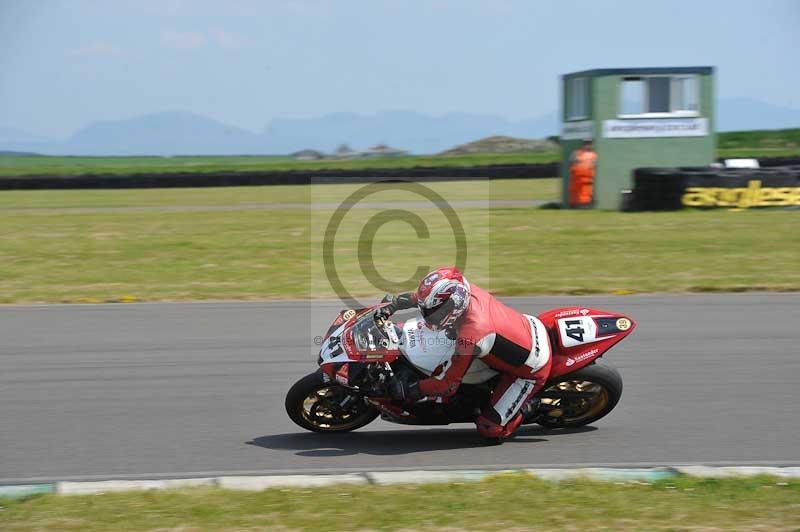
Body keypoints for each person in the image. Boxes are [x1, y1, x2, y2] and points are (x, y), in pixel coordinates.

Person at [377, 267, 552, 441]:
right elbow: (427, 299)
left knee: (489, 428)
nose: (427, 316)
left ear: (453, 306)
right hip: (523, 329)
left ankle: (529, 405)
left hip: (532, 367)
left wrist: (413, 389)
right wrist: (395, 303)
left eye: (432, 312)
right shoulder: (461, 288)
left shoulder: (471, 335)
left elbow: (447, 385)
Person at [568, 139, 597, 207]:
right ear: (583, 144)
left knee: (586, 195)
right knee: (575, 195)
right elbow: (571, 163)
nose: (588, 145)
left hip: (587, 181)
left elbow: (594, 166)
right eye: (586, 143)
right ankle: (574, 207)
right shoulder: (576, 153)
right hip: (576, 180)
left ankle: (585, 206)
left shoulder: (593, 155)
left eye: (589, 143)